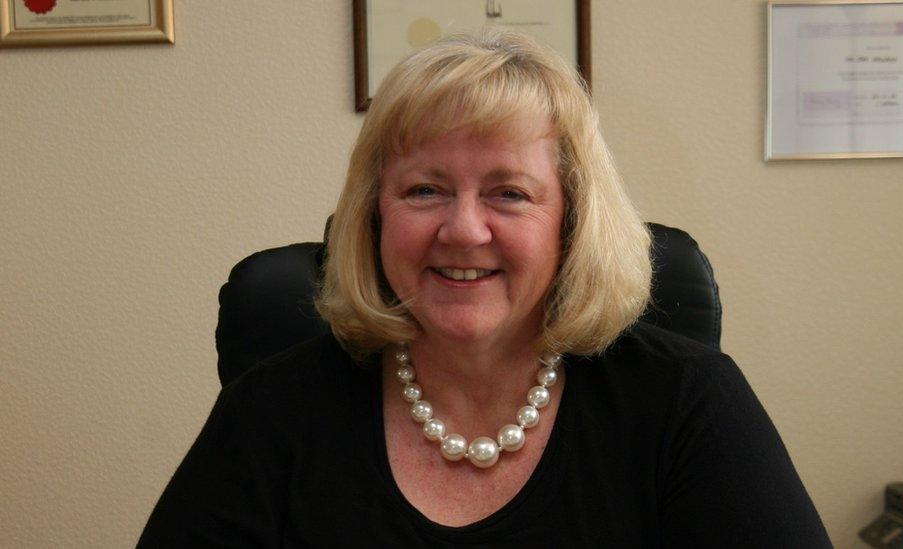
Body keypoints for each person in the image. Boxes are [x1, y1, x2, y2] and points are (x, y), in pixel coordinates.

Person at [139, 31, 831, 547]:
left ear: (572, 220)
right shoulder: (270, 415)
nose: (464, 229)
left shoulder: (688, 403)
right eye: (424, 189)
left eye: (508, 192)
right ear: (376, 211)